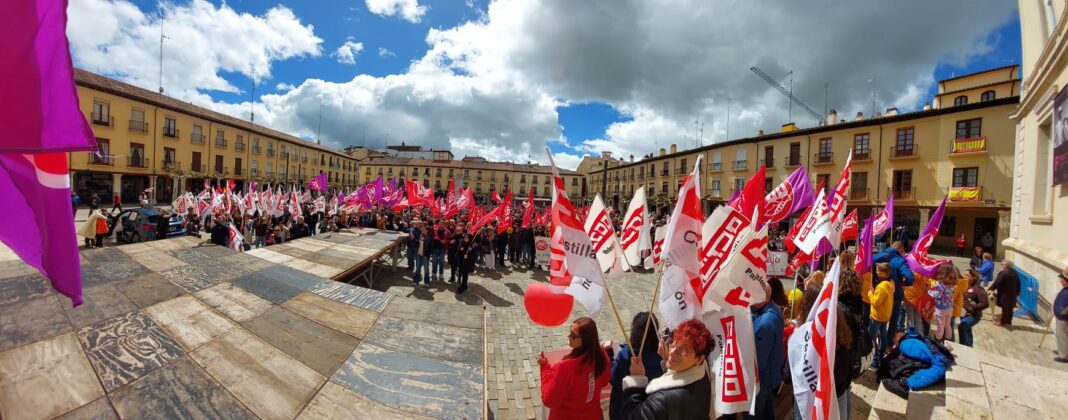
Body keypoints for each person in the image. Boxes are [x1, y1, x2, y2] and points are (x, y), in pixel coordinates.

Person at [617, 318, 712, 419]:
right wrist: (667, 360)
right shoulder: (702, 376)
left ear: (700, 359)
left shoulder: (661, 399)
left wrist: (636, 381)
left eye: (683, 349)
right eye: (673, 343)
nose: (672, 352)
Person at [538, 317, 610, 419]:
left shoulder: (564, 368)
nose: (568, 336)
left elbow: (549, 400)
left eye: (573, 335)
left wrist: (544, 367)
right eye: (570, 331)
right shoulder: (601, 355)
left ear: (585, 340)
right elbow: (605, 381)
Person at [609, 313, 665, 420]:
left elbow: (613, 379)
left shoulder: (626, 355)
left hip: (625, 407)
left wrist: (611, 357)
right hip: (653, 409)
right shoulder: (661, 355)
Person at [750, 281, 784, 420]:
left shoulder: (765, 324)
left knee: (754, 413)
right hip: (771, 373)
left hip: (763, 377)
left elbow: (759, 360)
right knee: (766, 407)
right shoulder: (774, 309)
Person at [874, 241, 915, 343]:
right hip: (895, 295)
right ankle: (888, 343)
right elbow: (910, 277)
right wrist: (903, 283)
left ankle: (878, 342)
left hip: (879, 292)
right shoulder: (900, 260)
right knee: (893, 320)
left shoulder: (878, 256)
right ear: (901, 249)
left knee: (880, 319)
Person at [869, 262, 895, 369]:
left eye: (878, 270)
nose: (876, 272)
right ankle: (881, 356)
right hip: (885, 316)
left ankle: (875, 360)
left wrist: (870, 294)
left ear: (883, 274)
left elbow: (876, 302)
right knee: (883, 336)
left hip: (877, 317)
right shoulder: (891, 284)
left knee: (871, 337)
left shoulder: (881, 287)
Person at [958, 268, 988, 347]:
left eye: (967, 275)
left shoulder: (978, 288)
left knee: (962, 327)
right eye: (965, 274)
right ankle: (970, 346)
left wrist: (972, 307)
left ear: (973, 277)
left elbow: (985, 303)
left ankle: (962, 346)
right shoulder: (964, 285)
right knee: (967, 330)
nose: (965, 276)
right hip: (963, 313)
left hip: (973, 315)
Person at [928, 265, 957, 344]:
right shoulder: (953, 285)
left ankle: (937, 339)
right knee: (947, 324)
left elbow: (936, 295)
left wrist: (928, 290)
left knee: (940, 325)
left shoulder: (939, 285)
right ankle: (948, 339)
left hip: (940, 308)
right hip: (949, 308)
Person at [988, 260, 1020, 326]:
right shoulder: (1014, 272)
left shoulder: (1003, 273)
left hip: (1005, 294)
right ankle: (1008, 322)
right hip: (1013, 293)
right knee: (1010, 308)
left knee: (1005, 309)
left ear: (1006, 265)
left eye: (1002, 264)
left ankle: (1003, 322)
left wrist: (990, 288)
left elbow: (997, 282)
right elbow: (1018, 283)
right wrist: (1017, 292)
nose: (1001, 265)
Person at [1054, 267, 1068, 363]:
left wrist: (1062, 312)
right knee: (1062, 336)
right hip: (1061, 316)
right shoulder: (1065, 289)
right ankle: (1063, 351)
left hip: (1064, 318)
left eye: (1061, 279)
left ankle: (1064, 356)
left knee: (1062, 336)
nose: (1060, 281)